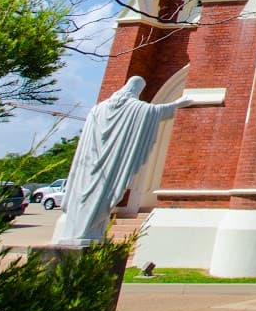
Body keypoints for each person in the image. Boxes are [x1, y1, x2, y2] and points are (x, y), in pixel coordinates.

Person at [51, 76, 200, 245]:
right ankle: (83, 232)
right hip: (104, 162)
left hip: (92, 164)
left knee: (93, 193)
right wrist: (177, 104)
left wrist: (176, 104)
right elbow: (156, 112)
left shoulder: (99, 109)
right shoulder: (133, 108)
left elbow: (153, 112)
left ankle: (84, 230)